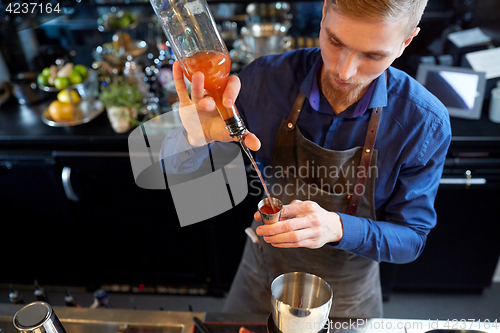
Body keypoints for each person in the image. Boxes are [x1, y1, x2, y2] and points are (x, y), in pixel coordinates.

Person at [162, 0, 451, 318]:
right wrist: (194, 138)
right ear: (324, 12)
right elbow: (178, 174)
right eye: (335, 41)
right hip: (260, 278)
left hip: (346, 296)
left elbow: (411, 239)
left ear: (406, 41)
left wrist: (338, 228)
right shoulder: (265, 80)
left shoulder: (422, 122)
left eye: (372, 55)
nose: (344, 70)